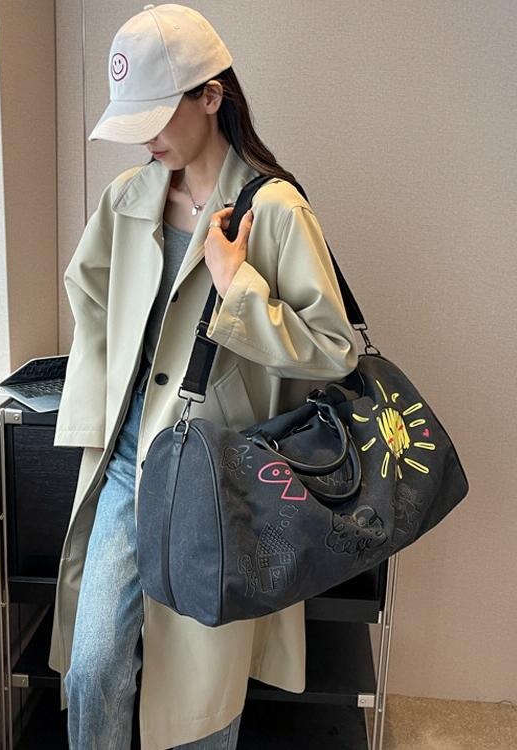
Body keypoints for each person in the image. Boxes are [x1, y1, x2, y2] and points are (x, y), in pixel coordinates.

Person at [50, 4, 359, 749]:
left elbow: (334, 349)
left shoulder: (273, 209)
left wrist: (236, 285)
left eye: (157, 117)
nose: (146, 139)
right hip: (130, 462)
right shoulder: (129, 198)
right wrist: (95, 418)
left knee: (200, 700)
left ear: (211, 96)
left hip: (218, 480)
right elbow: (91, 302)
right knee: (92, 669)